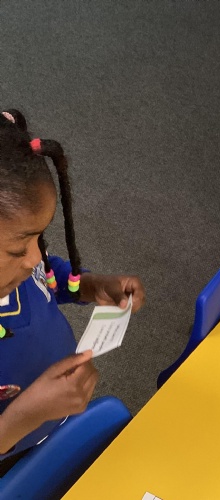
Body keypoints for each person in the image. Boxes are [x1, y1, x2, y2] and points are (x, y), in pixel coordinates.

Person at [0, 109, 145, 475]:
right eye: (18, 249)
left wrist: (90, 286)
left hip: (55, 418)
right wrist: (20, 420)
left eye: (39, 238)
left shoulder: (20, 268)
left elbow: (46, 276)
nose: (35, 257)